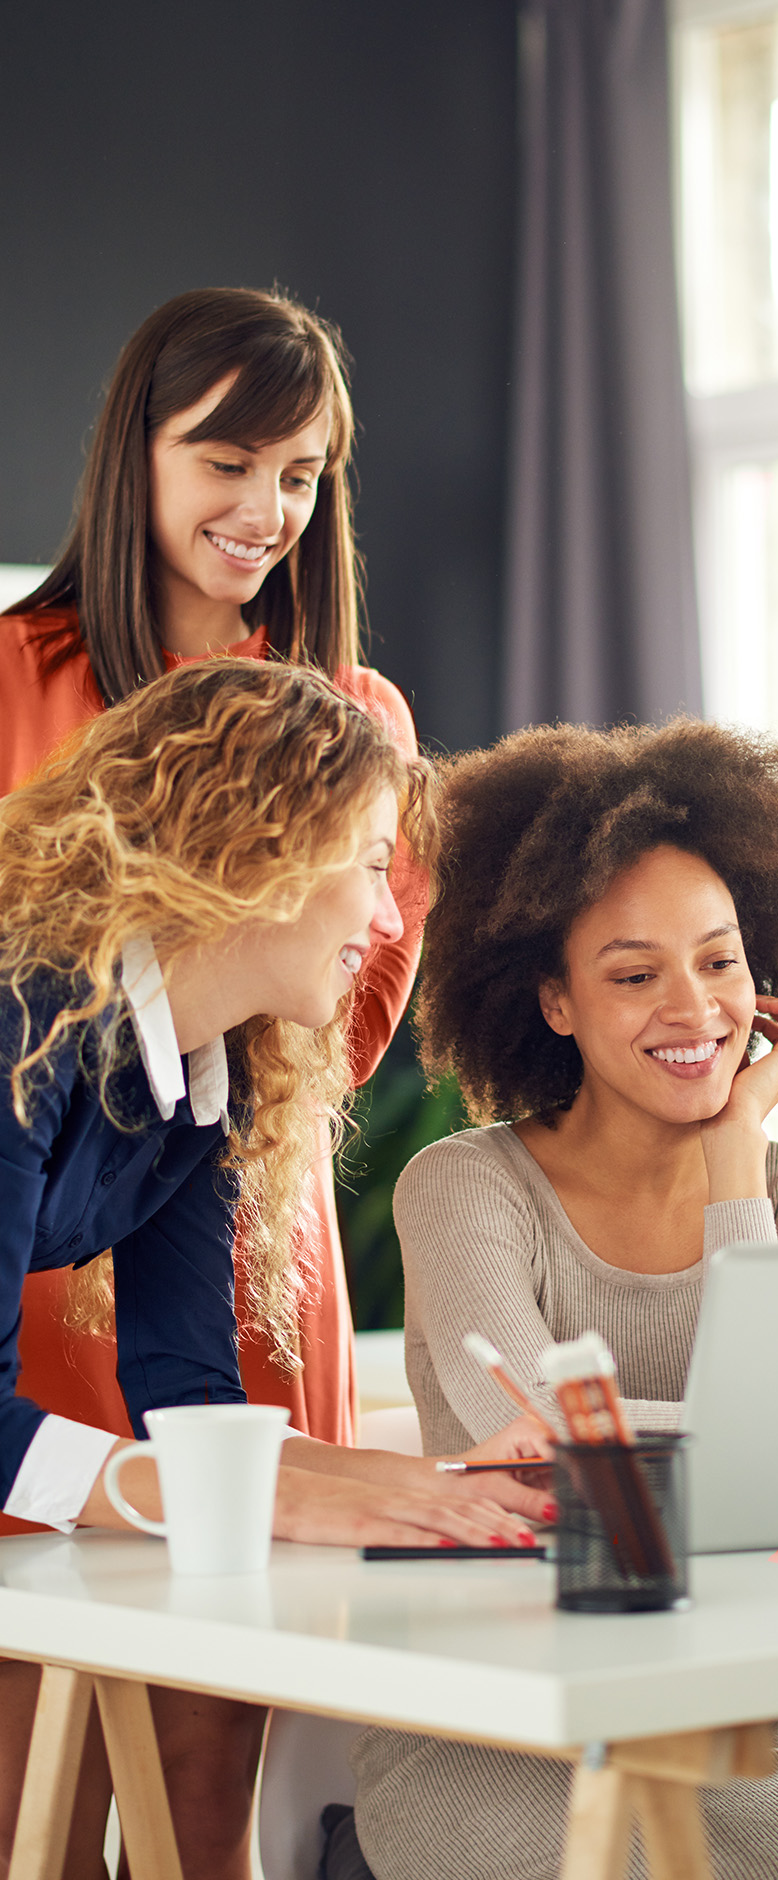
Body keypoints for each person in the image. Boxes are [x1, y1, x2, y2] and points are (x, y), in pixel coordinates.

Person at [321, 719, 778, 1880]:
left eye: (720, 960)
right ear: (556, 1003)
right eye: (634, 974)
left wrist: (738, 1160)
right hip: (495, 1716)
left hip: (739, 1719)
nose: (694, 1006)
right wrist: (736, 1446)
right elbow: (541, 1443)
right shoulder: (467, 1185)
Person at [0, 287, 425, 1878]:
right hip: (32, 1252)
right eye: (229, 459)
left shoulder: (350, 718)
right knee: (39, 1736)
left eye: (302, 473)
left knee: (213, 1755)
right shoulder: (12, 675)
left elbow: (328, 1030)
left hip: (224, 1190)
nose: (268, 509)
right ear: (139, 456)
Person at [0, 662, 551, 1880]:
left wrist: (413, 1484)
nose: (392, 919)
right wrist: (250, 1491)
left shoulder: (207, 1068)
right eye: (367, 863)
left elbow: (183, 1389)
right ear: (251, 846)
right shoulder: (18, 1017)